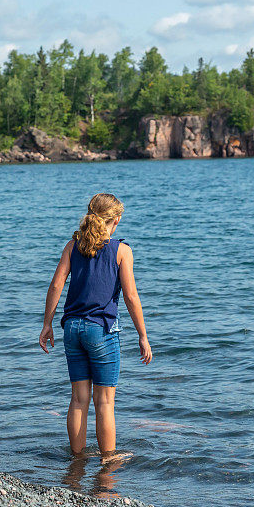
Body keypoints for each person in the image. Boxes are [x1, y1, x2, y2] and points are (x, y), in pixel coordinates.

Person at [39, 193, 152, 461]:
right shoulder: (122, 251)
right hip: (101, 329)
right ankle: (108, 459)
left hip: (72, 329)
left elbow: (56, 285)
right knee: (104, 402)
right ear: (116, 219)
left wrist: (47, 324)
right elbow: (131, 296)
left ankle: (77, 460)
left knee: (78, 399)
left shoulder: (72, 246)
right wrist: (143, 336)